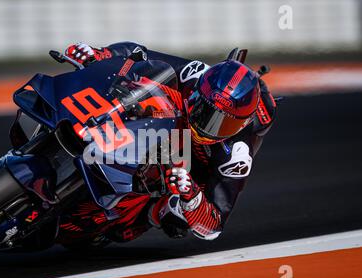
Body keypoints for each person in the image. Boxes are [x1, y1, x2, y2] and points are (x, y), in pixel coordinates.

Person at [63, 42, 277, 241]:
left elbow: (214, 226)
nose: (206, 124)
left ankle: (147, 215)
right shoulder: (195, 73)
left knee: (176, 213)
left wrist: (191, 193)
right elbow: (139, 53)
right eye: (204, 110)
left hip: (194, 168)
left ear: (241, 125)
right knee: (139, 85)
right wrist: (100, 54)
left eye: (222, 123)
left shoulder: (237, 155)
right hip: (174, 119)